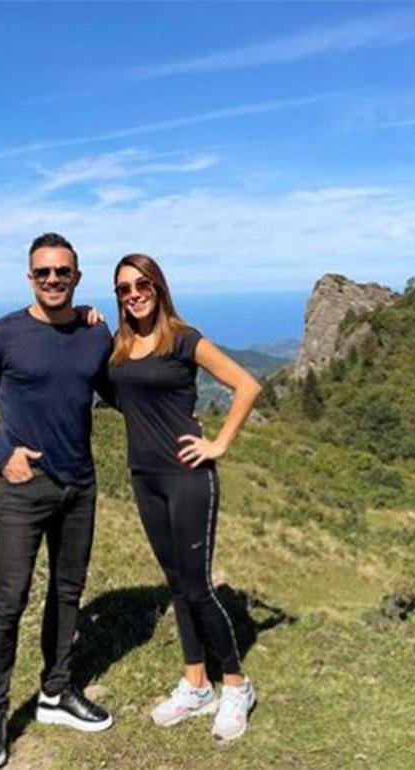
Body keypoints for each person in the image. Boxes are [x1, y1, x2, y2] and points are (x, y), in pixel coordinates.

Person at [0, 233, 113, 769]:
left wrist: (173, 407)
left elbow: (114, 389)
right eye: (43, 272)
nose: (52, 279)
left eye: (62, 271)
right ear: (29, 277)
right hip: (24, 488)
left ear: (77, 277)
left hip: (80, 485)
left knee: (68, 592)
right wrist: (3, 455)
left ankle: (56, 692)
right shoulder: (2, 334)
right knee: (9, 599)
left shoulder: (94, 331)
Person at [107, 253, 262, 742]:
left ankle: (236, 684)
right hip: (144, 478)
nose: (134, 294)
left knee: (197, 588)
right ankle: (196, 684)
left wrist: (219, 443)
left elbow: (247, 385)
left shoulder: (183, 338)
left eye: (143, 285)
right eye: (124, 288)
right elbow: (118, 395)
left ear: (158, 287)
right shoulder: (120, 346)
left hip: (188, 477)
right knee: (176, 583)